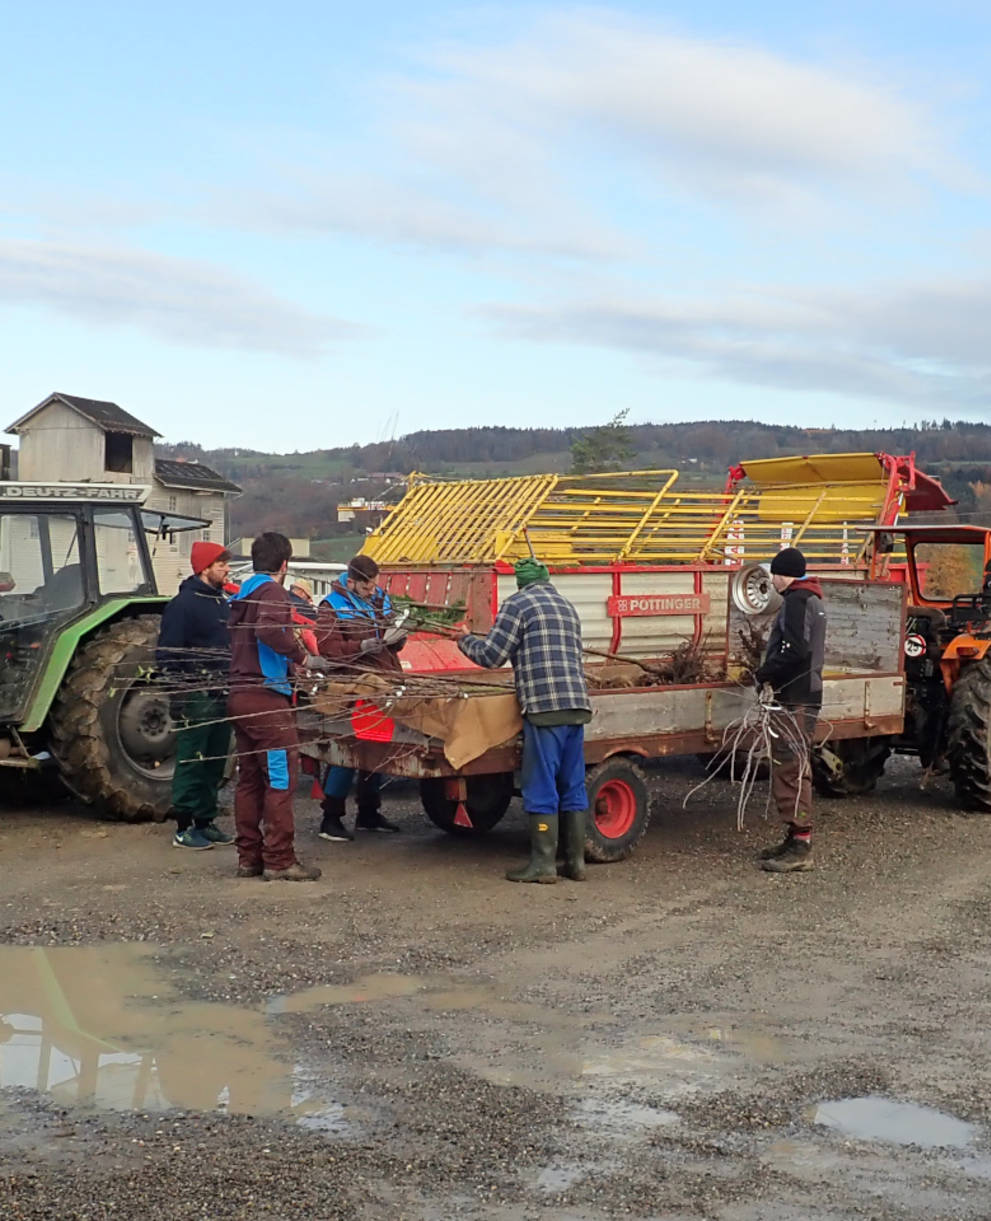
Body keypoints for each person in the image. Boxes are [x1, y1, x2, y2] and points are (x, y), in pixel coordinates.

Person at [458, 557, 590, 884]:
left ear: (520, 582)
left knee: (540, 785)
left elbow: (491, 656)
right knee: (572, 785)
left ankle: (543, 865)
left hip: (544, 709)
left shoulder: (517, 605)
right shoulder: (566, 606)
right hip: (576, 706)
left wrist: (462, 639)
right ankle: (576, 863)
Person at [227, 532, 322, 882]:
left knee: (249, 779)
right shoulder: (272, 591)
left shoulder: (243, 593)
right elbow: (268, 630)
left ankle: (248, 858)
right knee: (280, 778)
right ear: (285, 564)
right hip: (265, 697)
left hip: (239, 693)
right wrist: (302, 657)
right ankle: (280, 860)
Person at [314, 554, 406, 840]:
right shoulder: (332, 607)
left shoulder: (380, 599)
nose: (372, 592)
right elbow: (328, 649)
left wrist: (399, 636)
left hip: (382, 683)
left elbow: (393, 638)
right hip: (352, 686)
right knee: (349, 748)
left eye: (374, 587)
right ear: (351, 581)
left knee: (376, 746)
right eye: (366, 588)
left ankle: (368, 812)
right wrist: (361, 645)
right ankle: (331, 816)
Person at [156, 541, 234, 850]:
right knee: (192, 758)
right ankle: (184, 826)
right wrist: (178, 692)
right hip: (196, 691)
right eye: (221, 564)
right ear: (204, 568)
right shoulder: (183, 605)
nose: (227, 569)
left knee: (215, 758)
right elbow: (167, 652)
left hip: (221, 690)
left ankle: (206, 820)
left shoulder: (220, 601)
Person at [754, 547, 826, 874]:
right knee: (794, 763)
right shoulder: (813, 599)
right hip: (806, 693)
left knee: (791, 766)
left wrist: (765, 672)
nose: (772, 580)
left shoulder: (796, 602)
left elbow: (796, 649)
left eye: (774, 574)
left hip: (795, 696)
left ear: (784, 575)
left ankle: (801, 845)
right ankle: (794, 836)